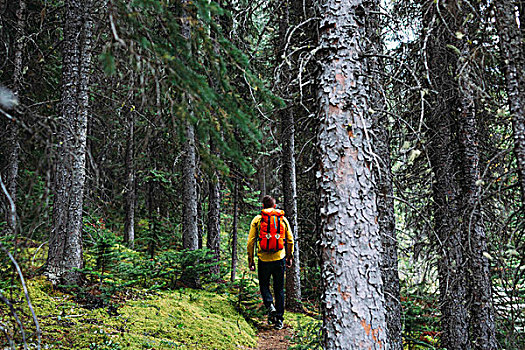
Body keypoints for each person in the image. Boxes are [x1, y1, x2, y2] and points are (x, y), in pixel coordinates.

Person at [247, 195, 293, 330]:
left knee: (264, 286)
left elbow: (251, 242)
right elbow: (290, 240)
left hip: (263, 260)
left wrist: (251, 259)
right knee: (279, 289)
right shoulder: (282, 219)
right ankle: (279, 320)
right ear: (274, 206)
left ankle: (269, 306)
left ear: (262, 206)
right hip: (279, 259)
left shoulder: (258, 219)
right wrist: (289, 256)